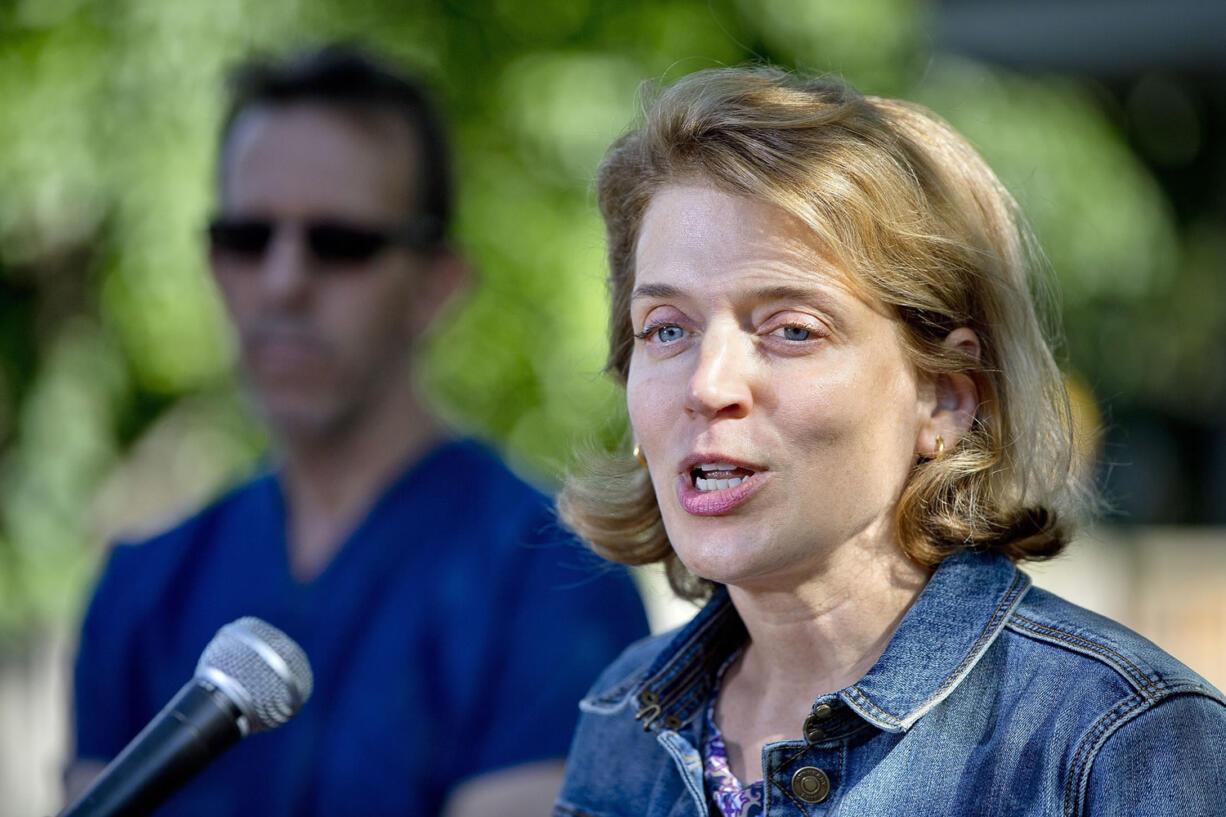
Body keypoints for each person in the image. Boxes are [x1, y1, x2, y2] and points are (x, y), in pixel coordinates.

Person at [554, 67, 1226, 816]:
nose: (707, 384)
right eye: (667, 329)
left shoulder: (1116, 741)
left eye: (791, 330)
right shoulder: (622, 717)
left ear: (943, 397)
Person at [67, 45, 648, 817]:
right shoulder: (141, 588)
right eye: (246, 237)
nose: (283, 282)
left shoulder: (551, 580)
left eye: (339, 244)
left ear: (436, 284)